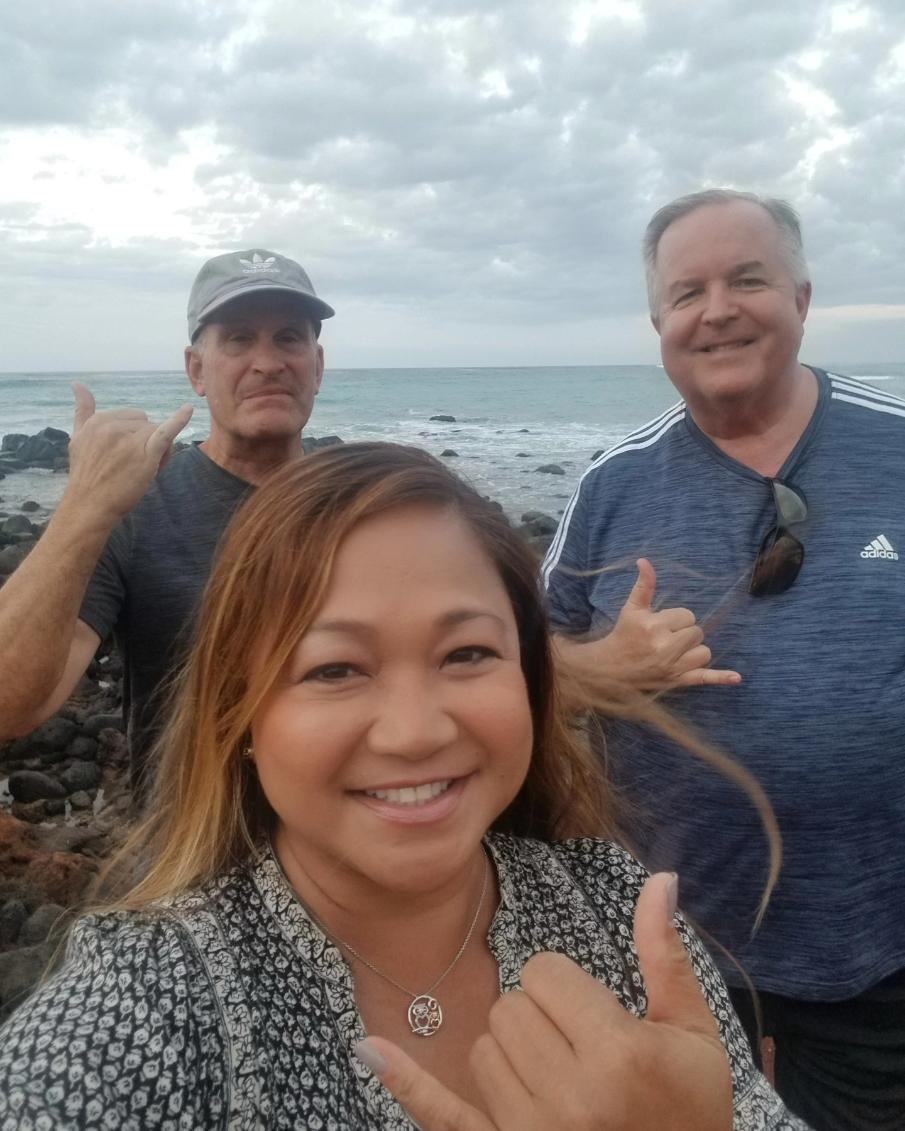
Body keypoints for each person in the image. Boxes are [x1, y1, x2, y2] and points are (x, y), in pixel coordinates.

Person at [0, 443, 807, 1130]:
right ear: (239, 717)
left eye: (466, 654)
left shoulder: (621, 913)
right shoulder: (147, 1004)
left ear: (529, 681)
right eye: (335, 668)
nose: (415, 730)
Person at [543, 189, 905, 1131]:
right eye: (687, 291)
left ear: (802, 297)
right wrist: (599, 667)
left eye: (747, 279)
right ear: (659, 321)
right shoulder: (613, 483)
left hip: (877, 936)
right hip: (673, 931)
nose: (717, 309)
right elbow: (511, 659)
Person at [0, 248, 334, 794]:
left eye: (289, 338)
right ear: (196, 370)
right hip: (186, 863)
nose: (268, 361)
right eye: (239, 338)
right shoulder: (134, 511)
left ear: (316, 366)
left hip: (344, 850)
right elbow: (9, 709)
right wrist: (85, 507)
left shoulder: (363, 506)